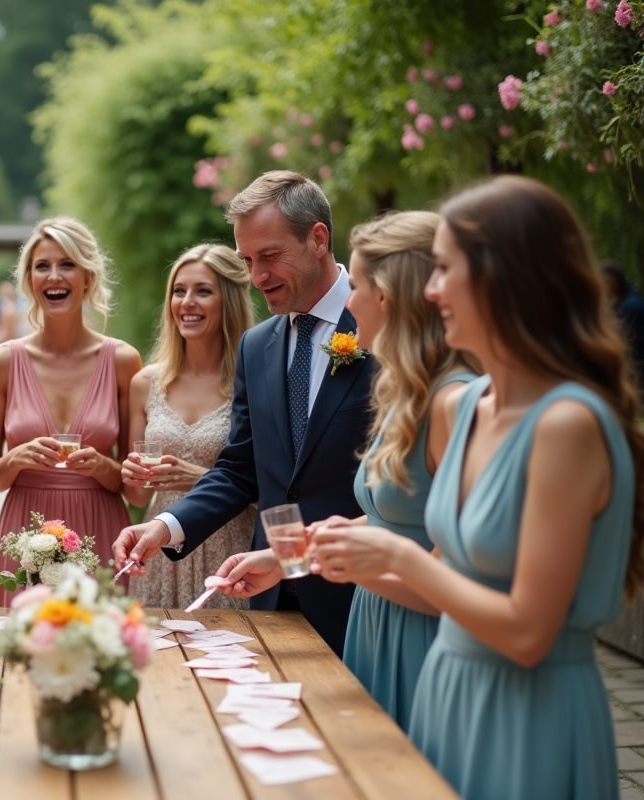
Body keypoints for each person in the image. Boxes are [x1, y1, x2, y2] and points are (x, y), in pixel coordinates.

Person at [313, 176, 644, 799]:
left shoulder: (567, 423)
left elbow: (528, 631)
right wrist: (345, 554)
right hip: (445, 693)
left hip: (529, 716)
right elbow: (444, 567)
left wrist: (394, 555)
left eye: (445, 268)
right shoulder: (475, 409)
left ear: (505, 277)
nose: (429, 288)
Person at [219, 212, 480, 728]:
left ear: (392, 296)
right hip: (377, 621)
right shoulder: (406, 393)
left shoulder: (455, 401)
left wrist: (367, 563)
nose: (349, 302)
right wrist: (290, 556)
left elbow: (460, 556)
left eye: (356, 285)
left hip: (421, 634)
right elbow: (394, 515)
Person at [113, 170, 376, 657]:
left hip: (359, 593)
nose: (257, 278)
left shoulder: (380, 327)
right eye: (248, 261)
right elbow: (239, 468)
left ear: (318, 239)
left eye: (270, 257)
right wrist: (167, 525)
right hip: (266, 596)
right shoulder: (257, 346)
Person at [0, 217, 142, 607]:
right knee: (20, 654)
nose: (54, 276)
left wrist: (103, 466)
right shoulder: (1, 361)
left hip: (101, 530)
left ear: (88, 275)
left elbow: (134, 488)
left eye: (67, 264)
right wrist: (15, 459)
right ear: (29, 280)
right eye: (42, 266)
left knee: (102, 653)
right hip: (24, 535)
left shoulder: (122, 361)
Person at [120, 244, 257, 610]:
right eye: (179, 291)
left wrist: (198, 477)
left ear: (229, 300)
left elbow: (268, 491)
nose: (187, 302)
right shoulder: (145, 383)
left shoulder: (257, 383)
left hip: (230, 552)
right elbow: (136, 498)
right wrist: (133, 476)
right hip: (160, 551)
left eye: (203, 291)